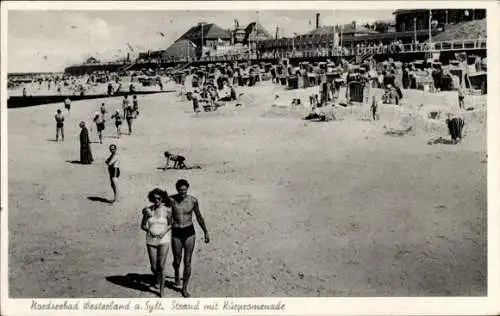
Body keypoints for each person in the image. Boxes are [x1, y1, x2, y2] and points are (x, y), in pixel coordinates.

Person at [169, 179, 209, 298]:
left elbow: (199, 217)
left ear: (187, 189)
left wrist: (206, 232)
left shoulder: (193, 201)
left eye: (184, 190)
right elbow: (158, 206)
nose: (182, 192)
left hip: (189, 232)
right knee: (177, 260)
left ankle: (184, 287)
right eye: (180, 190)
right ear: (177, 189)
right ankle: (176, 272)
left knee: (187, 261)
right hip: (176, 232)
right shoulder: (171, 200)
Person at [141, 188, 172, 297]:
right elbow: (143, 225)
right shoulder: (148, 210)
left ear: (162, 199)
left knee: (161, 266)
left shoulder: (167, 210)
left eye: (159, 198)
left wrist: (164, 232)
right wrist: (149, 230)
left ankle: (161, 290)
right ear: (151, 199)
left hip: (164, 240)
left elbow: (171, 224)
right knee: (154, 267)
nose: (156, 201)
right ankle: (156, 279)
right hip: (151, 240)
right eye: (154, 199)